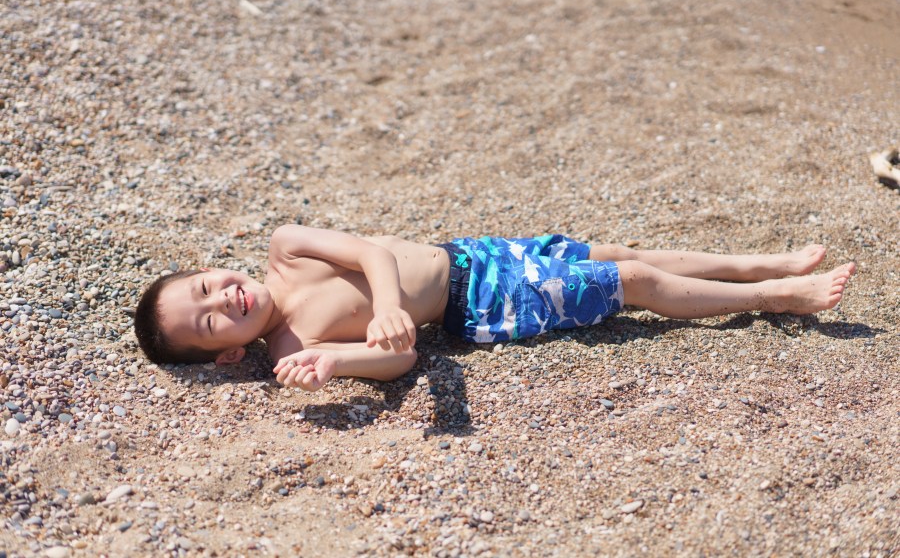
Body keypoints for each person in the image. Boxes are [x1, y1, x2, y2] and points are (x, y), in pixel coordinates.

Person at [134, 225, 855, 392]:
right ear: (229, 353)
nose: (223, 298)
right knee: (631, 280)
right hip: (480, 302)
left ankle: (758, 264)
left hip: (473, 253)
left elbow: (372, 253)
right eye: (212, 321)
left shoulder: (287, 247)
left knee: (616, 253)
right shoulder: (293, 347)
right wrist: (342, 362)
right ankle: (775, 297)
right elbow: (400, 360)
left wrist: (385, 306)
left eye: (206, 286)